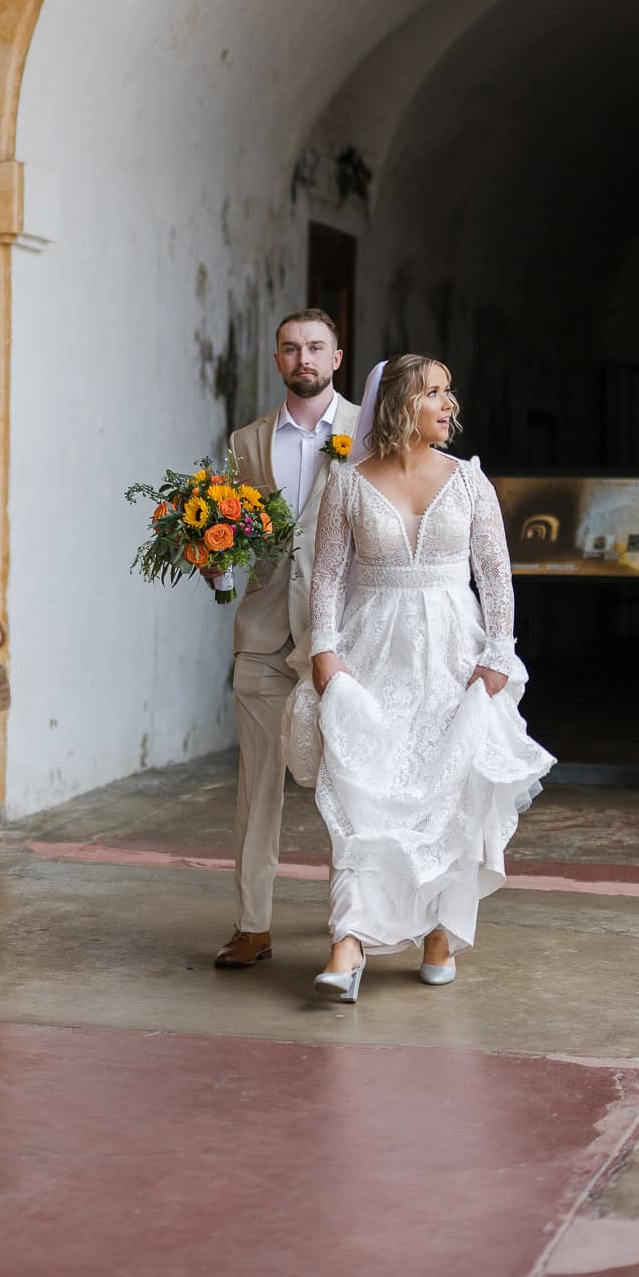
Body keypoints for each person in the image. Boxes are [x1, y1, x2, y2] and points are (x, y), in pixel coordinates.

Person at [286, 354, 553, 1000]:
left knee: (450, 795)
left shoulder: (469, 482)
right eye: (435, 393)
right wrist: (325, 651)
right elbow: (326, 577)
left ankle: (439, 931)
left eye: (448, 393)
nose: (448, 404)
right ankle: (347, 948)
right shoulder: (348, 483)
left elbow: (495, 577)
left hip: (455, 657)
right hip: (372, 655)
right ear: (404, 403)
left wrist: (498, 653)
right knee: (362, 798)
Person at [213, 310, 360, 968]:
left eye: (316, 348)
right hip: (264, 632)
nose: (304, 358)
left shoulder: (370, 433)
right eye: (291, 348)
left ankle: (350, 927)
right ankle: (252, 924)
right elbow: (230, 532)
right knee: (257, 786)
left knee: (351, 787)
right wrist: (210, 558)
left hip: (343, 638)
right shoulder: (245, 443)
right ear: (278, 361)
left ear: (336, 358)